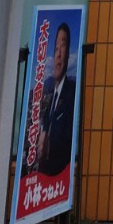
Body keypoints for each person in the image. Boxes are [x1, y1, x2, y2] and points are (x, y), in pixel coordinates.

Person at [38, 22, 75, 174]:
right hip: (43, 177)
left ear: (68, 53)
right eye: (56, 49)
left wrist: (49, 145)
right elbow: (45, 124)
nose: (59, 54)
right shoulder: (50, 93)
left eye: (63, 46)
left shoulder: (72, 94)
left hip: (59, 176)